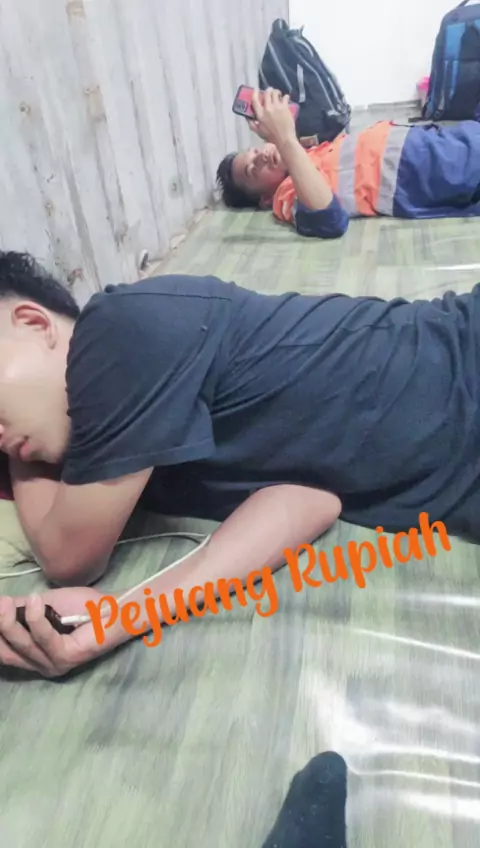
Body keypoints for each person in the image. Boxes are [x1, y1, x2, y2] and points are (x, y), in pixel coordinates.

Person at [0, 249, 478, 678]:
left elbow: (69, 558)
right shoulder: (133, 454)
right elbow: (307, 499)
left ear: (35, 323)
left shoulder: (115, 331)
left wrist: (24, 456)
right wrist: (121, 616)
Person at [216, 88, 480, 239]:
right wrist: (284, 139)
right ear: (264, 199)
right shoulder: (287, 192)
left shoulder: (305, 155)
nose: (260, 157)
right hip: (429, 165)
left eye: (254, 151)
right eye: (253, 170)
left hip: (434, 141)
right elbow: (328, 220)